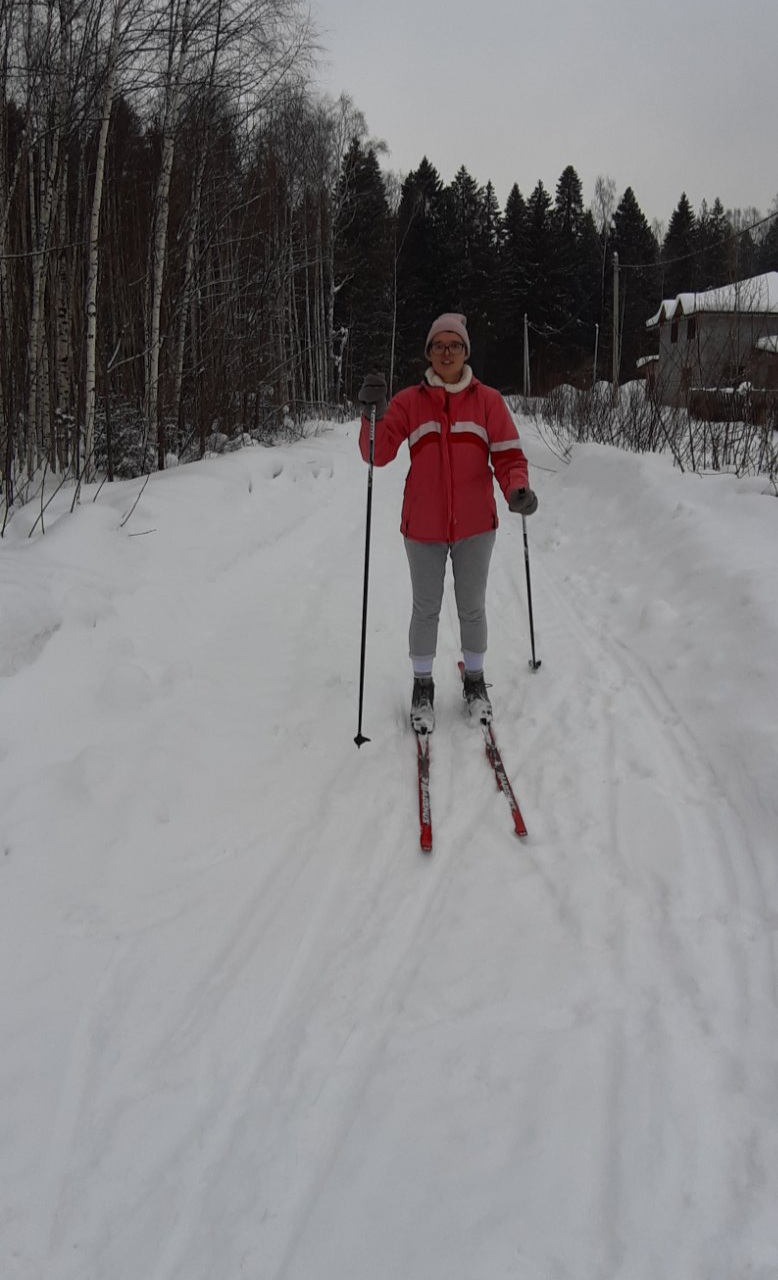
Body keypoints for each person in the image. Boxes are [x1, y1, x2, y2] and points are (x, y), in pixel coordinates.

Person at [358, 312, 538, 736]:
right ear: (429, 352)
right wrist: (372, 414)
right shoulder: (408, 401)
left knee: (472, 606)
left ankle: (475, 683)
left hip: (476, 524)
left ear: (465, 351)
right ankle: (423, 687)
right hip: (423, 525)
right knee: (426, 608)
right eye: (438, 345)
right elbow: (376, 453)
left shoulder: (488, 400)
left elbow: (510, 456)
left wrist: (517, 489)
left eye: (454, 345)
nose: (446, 353)